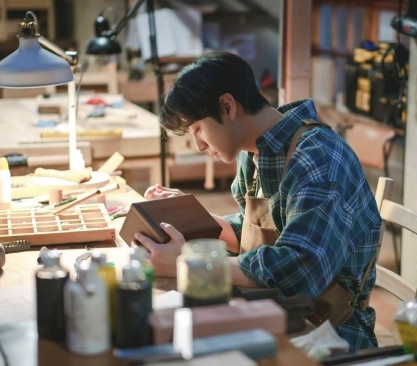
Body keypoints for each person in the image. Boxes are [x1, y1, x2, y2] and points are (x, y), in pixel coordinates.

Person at [134, 52, 381, 351]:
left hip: (329, 333)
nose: (198, 145)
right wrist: (191, 218)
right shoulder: (253, 152)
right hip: (278, 310)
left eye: (198, 129)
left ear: (227, 106)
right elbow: (254, 235)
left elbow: (299, 270)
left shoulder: (317, 159)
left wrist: (190, 264)